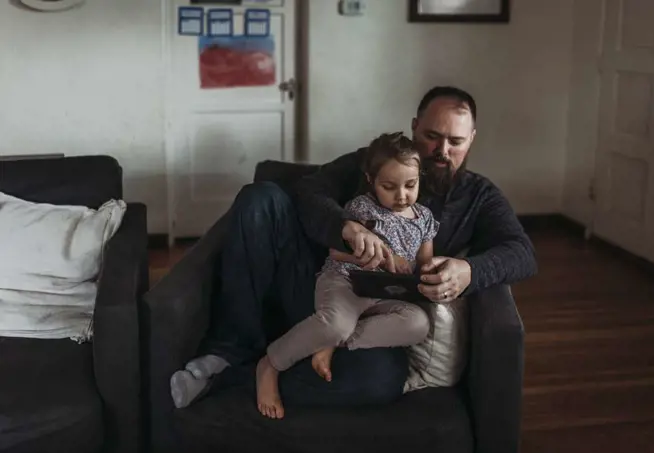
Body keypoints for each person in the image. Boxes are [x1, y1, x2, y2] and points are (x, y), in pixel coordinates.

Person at [169, 85, 538, 410]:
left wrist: (469, 271)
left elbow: (522, 253)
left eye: (455, 141)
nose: (441, 150)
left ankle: (243, 374)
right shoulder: (374, 160)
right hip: (322, 288)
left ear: (472, 138)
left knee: (375, 382)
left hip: (377, 319)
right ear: (414, 127)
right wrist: (344, 227)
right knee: (259, 197)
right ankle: (228, 351)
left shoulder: (480, 196)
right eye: (431, 136)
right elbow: (308, 189)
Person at [256, 132, 439, 419]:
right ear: (371, 180)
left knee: (418, 324)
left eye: (410, 185)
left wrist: (425, 273)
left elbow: (424, 264)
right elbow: (335, 253)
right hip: (347, 283)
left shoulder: (425, 219)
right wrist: (380, 256)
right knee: (335, 323)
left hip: (385, 296)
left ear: (419, 178)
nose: (401, 195)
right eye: (389, 187)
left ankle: (331, 343)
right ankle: (270, 364)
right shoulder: (362, 208)